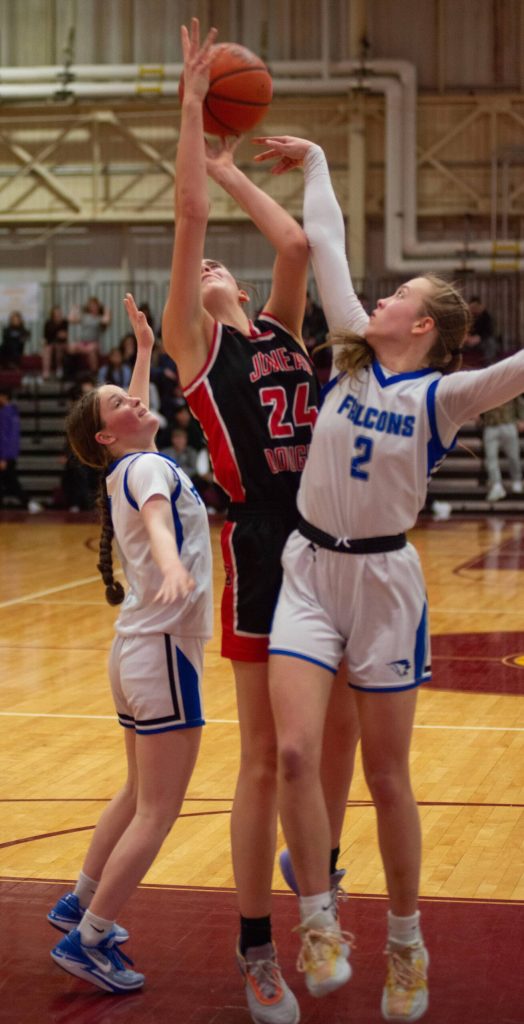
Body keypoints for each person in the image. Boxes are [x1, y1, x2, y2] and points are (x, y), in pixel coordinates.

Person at [253, 133, 524, 1022]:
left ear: (424, 329)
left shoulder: (440, 397)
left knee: (387, 776)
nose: (376, 296)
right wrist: (322, 161)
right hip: (308, 569)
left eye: (396, 296)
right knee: (293, 751)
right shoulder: (347, 358)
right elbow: (326, 243)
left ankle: (407, 942)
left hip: (384, 589)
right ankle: (319, 920)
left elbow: (513, 375)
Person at [161, 21, 359, 1024]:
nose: (205, 271)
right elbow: (190, 217)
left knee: (325, 752)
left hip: (326, 545)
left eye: (212, 274)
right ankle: (254, 948)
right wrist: (194, 118)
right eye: (196, 277)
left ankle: (315, 881)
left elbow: (290, 241)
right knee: (260, 757)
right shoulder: (196, 351)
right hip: (256, 549)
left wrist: (240, 167)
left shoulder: (278, 326)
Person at [47, 293, 213, 994]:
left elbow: (129, 426)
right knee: (159, 809)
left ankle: (81, 898)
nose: (136, 401)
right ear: (110, 433)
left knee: (136, 790)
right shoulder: (146, 470)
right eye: (122, 401)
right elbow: (154, 513)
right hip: (164, 650)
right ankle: (89, 940)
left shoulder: (127, 457)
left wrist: (144, 349)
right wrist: (171, 559)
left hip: (133, 653)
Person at [0, 385, 41, 512]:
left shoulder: (5, 413)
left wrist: (3, 457)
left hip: (5, 455)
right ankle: (28, 502)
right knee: (8, 480)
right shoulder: (13, 412)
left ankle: (28, 502)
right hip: (10, 453)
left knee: (11, 481)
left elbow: (4, 436)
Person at [480, 396, 524, 502]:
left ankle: (517, 480)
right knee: (491, 459)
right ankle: (496, 484)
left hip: (508, 422)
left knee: (513, 456)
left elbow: (519, 401)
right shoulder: (486, 387)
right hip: (490, 424)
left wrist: (522, 419)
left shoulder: (508, 382)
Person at [68, 296, 111, 373]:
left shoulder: (99, 318)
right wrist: (74, 309)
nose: (93, 307)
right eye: (91, 305)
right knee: (71, 347)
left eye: (95, 305)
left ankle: (94, 373)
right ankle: (72, 372)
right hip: (83, 342)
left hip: (94, 343)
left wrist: (106, 310)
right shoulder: (85, 317)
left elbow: (106, 321)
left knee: (92, 352)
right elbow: (71, 319)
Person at [462, 295, 496, 368]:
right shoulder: (466, 315)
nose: (474, 310)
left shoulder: (486, 316)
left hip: (481, 341)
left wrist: (479, 338)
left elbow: (489, 331)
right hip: (467, 341)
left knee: (490, 342)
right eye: (472, 308)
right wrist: (466, 337)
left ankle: (489, 363)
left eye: (476, 308)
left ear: (480, 306)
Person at [42, 305, 69, 379]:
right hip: (50, 343)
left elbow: (65, 335)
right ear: (52, 314)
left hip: (61, 344)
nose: (58, 315)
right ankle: (46, 371)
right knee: (47, 349)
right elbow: (46, 337)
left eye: (59, 313)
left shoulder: (64, 322)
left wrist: (60, 335)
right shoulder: (48, 323)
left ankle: (59, 368)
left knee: (58, 347)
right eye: (56, 313)